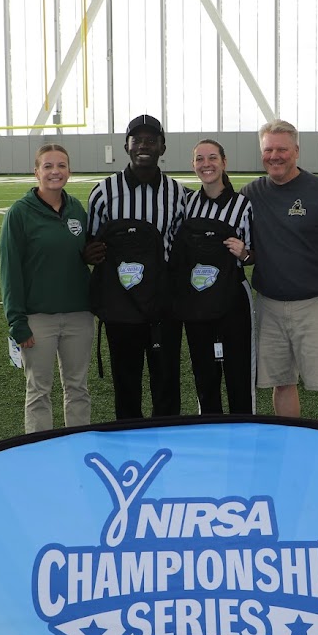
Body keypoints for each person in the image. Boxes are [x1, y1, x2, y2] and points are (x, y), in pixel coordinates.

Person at [242, 119, 318, 425]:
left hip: (317, 305)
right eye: (268, 150)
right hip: (269, 305)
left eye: (282, 149)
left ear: (296, 151)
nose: (275, 156)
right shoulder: (251, 193)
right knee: (281, 382)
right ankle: (291, 442)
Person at [85, 115, 186, 420]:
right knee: (125, 383)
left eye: (151, 140)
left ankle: (167, 443)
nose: (144, 145)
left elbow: (182, 248)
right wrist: (89, 254)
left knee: (166, 382)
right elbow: (92, 243)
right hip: (122, 303)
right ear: (126, 146)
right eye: (137, 139)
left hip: (163, 303)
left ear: (162, 146)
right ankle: (128, 447)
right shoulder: (103, 192)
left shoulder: (178, 193)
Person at [0, 144, 94, 433]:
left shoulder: (77, 208)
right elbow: (10, 269)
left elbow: (86, 254)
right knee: (39, 389)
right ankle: (39, 450)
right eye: (48, 166)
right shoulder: (20, 213)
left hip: (79, 314)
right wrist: (17, 320)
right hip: (38, 318)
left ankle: (78, 443)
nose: (55, 172)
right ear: (36, 171)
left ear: (69, 170)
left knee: (78, 387)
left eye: (61, 166)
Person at [172, 139, 255, 414]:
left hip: (232, 297)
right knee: (204, 372)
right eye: (199, 159)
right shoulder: (187, 203)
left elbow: (255, 254)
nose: (206, 164)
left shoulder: (243, 205)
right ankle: (209, 429)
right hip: (196, 297)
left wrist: (244, 253)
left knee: (238, 371)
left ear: (224, 162)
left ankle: (244, 431)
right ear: (193, 164)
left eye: (212, 158)